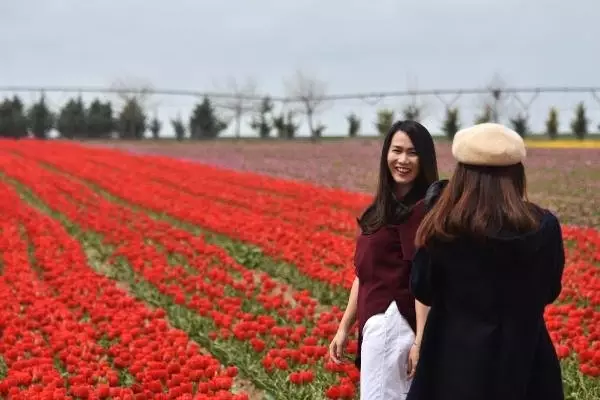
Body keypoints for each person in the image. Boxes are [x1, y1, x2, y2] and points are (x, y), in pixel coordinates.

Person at [407, 123, 566, 400]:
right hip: (524, 361)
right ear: (517, 173)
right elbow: (550, 290)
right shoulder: (544, 227)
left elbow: (422, 288)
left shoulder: (444, 227)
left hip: (453, 363)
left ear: (462, 175)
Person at [328, 120, 439, 399]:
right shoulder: (379, 211)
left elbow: (423, 280)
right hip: (375, 325)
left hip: (396, 325)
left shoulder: (421, 212)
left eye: (412, 153)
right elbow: (363, 276)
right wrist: (344, 328)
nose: (403, 160)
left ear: (424, 159)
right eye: (397, 150)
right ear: (385, 155)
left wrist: (420, 342)